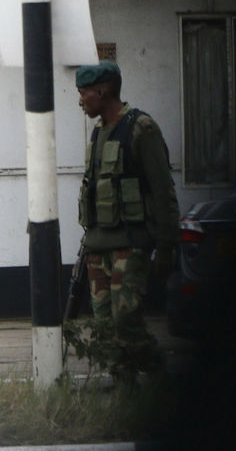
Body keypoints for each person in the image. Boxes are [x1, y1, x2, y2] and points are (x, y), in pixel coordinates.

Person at [75, 61, 180, 386]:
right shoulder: (98, 132)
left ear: (103, 91)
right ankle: (126, 392)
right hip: (97, 248)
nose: (80, 101)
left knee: (127, 323)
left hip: (130, 246)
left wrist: (166, 247)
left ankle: (162, 383)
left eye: (84, 93)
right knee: (106, 331)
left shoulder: (140, 128)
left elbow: (163, 192)